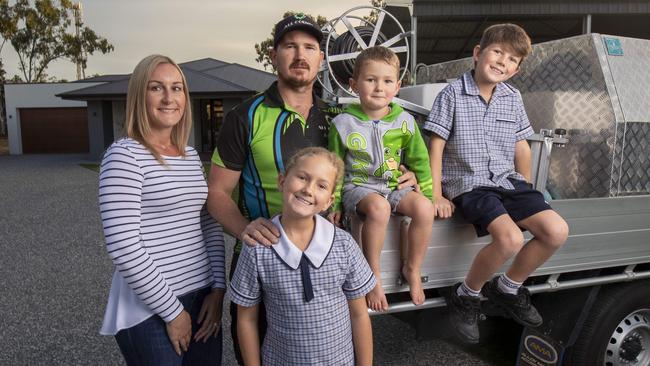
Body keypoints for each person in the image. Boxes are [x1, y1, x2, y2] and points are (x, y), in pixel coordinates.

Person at [206, 13, 416, 363]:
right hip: (263, 258)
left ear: (322, 58)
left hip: (325, 258)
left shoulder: (340, 118)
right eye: (290, 46)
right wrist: (246, 231)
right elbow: (216, 193)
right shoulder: (244, 116)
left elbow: (376, 160)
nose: (300, 55)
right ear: (273, 55)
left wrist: (403, 172)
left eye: (310, 47)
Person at [424, 24, 569, 344]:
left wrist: (528, 189)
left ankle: (507, 287)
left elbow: (520, 144)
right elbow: (435, 145)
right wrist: (435, 193)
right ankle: (466, 294)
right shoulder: (452, 94)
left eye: (512, 59)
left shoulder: (512, 97)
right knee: (510, 240)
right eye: (497, 52)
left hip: (507, 180)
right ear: (478, 53)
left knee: (556, 230)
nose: (503, 61)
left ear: (517, 69)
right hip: (469, 182)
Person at [98, 54, 226, 365]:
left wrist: (218, 288)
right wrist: (173, 312)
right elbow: (123, 247)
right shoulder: (124, 156)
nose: (169, 97)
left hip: (202, 298)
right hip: (151, 310)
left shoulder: (190, 156)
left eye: (177, 88)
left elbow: (207, 224)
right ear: (139, 96)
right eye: (157, 88)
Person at [230, 147, 375, 366]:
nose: (308, 189)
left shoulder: (344, 245)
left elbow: (359, 315)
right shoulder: (257, 248)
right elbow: (247, 319)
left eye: (321, 185)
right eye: (302, 177)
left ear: (328, 201)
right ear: (282, 181)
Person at [328, 46, 434, 312]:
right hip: (358, 188)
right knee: (379, 207)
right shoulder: (342, 123)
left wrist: (429, 194)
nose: (379, 87)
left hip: (391, 185)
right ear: (354, 85)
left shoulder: (405, 121)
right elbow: (335, 167)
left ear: (397, 86)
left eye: (387, 81)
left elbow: (420, 159)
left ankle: (412, 267)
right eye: (371, 80)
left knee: (423, 208)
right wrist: (336, 204)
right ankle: (372, 274)